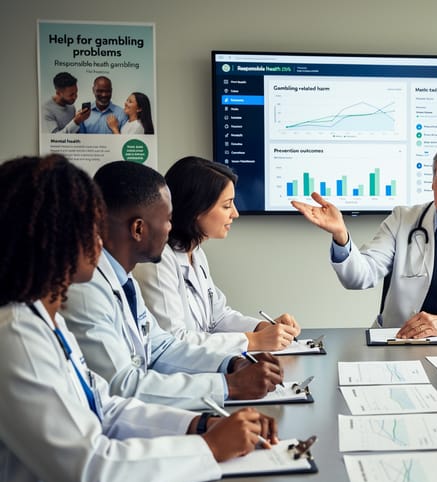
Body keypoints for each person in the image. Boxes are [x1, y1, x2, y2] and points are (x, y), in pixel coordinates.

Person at [0, 154, 277, 482]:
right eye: (90, 225)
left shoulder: (46, 321)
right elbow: (90, 469)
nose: (99, 237)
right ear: (53, 236)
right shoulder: (18, 337)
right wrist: (207, 447)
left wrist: (199, 424)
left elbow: (105, 407)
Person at [62, 160, 284, 410]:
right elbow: (121, 385)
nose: (171, 228)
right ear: (138, 228)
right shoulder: (86, 291)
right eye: (167, 219)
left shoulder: (125, 280)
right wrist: (228, 385)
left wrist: (230, 364)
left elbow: (161, 347)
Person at [292, 141, 437, 338]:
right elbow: (359, 277)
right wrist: (341, 235)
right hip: (397, 341)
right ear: (432, 181)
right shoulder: (403, 219)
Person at [134, 157, 299, 352]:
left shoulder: (195, 253)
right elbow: (173, 340)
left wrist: (262, 328)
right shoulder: (159, 262)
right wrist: (253, 341)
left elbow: (217, 317)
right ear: (197, 208)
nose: (235, 213)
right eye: (227, 205)